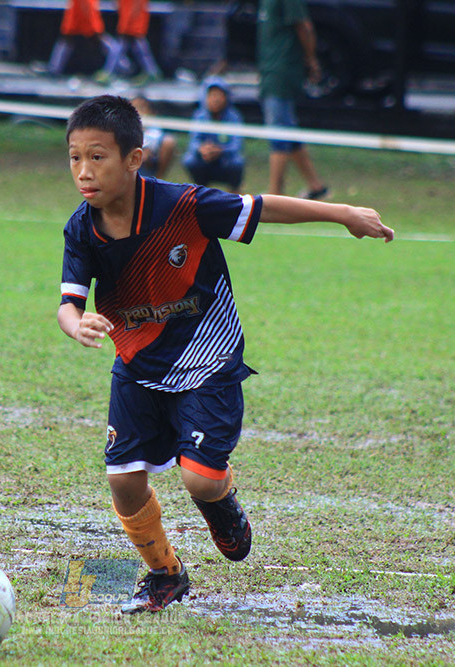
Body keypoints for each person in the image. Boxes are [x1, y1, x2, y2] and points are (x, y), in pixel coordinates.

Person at [58, 95, 393, 614]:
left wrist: (343, 213)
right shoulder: (82, 228)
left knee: (200, 478)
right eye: (75, 157)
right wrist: (76, 323)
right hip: (137, 366)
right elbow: (68, 303)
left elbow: (263, 207)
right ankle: (164, 573)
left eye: (97, 156)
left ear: (134, 159)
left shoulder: (183, 206)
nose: (84, 170)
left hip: (206, 359)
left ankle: (222, 506)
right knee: (123, 480)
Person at [258, 0, 328, 199]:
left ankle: (274, 193)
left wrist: (311, 60)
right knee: (288, 129)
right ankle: (316, 186)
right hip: (270, 72)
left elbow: (304, 26)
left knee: (279, 131)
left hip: (282, 72)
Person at [182, 77, 245, 193]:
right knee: (190, 160)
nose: (216, 99)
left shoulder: (234, 117)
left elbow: (236, 145)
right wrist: (203, 149)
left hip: (225, 160)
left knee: (237, 162)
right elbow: (193, 142)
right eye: (212, 95)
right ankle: (200, 192)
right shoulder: (200, 116)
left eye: (219, 95)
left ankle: (235, 192)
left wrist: (220, 150)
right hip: (205, 159)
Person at [95, 0, 160, 85]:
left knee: (119, 49)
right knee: (139, 48)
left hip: (131, 21)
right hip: (129, 20)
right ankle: (152, 72)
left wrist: (129, 22)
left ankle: (108, 73)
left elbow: (137, 6)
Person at [46, 0, 113, 77]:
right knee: (66, 42)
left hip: (82, 21)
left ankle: (54, 68)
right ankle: (54, 68)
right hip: (79, 21)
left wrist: (94, 27)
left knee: (106, 43)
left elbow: (88, 8)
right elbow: (87, 8)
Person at [131, 95, 176, 179]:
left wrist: (149, 150)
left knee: (169, 141)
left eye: (142, 107)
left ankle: (158, 178)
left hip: (151, 160)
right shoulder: (125, 125)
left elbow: (156, 138)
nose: (138, 112)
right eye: (134, 107)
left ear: (150, 111)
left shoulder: (154, 127)